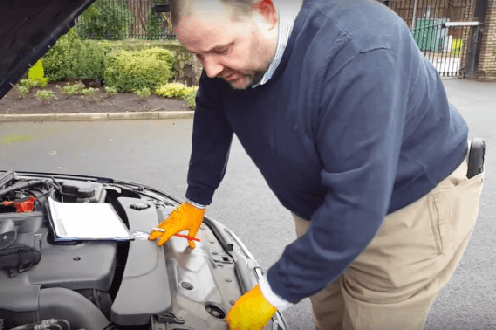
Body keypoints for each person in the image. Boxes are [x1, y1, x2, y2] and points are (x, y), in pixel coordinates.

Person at [146, 0, 485, 329]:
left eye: (220, 50)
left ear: (265, 11)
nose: (210, 69)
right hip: (325, 207)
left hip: (407, 206)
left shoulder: (359, 51)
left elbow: (357, 205)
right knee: (328, 314)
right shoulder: (228, 61)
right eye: (198, 54)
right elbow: (212, 112)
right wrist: (196, 200)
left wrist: (271, 293)